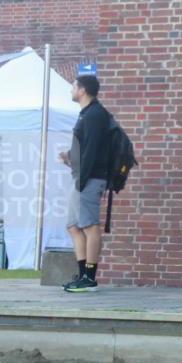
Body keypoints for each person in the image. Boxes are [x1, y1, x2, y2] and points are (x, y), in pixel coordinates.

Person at [59, 74, 110, 292]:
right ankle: (82, 275)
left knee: (89, 226)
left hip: (88, 179)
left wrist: (82, 178)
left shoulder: (95, 115)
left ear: (83, 90)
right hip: (81, 176)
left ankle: (90, 278)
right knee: (73, 226)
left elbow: (91, 152)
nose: (71, 90)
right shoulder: (87, 114)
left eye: (73, 87)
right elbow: (86, 148)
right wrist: (70, 156)